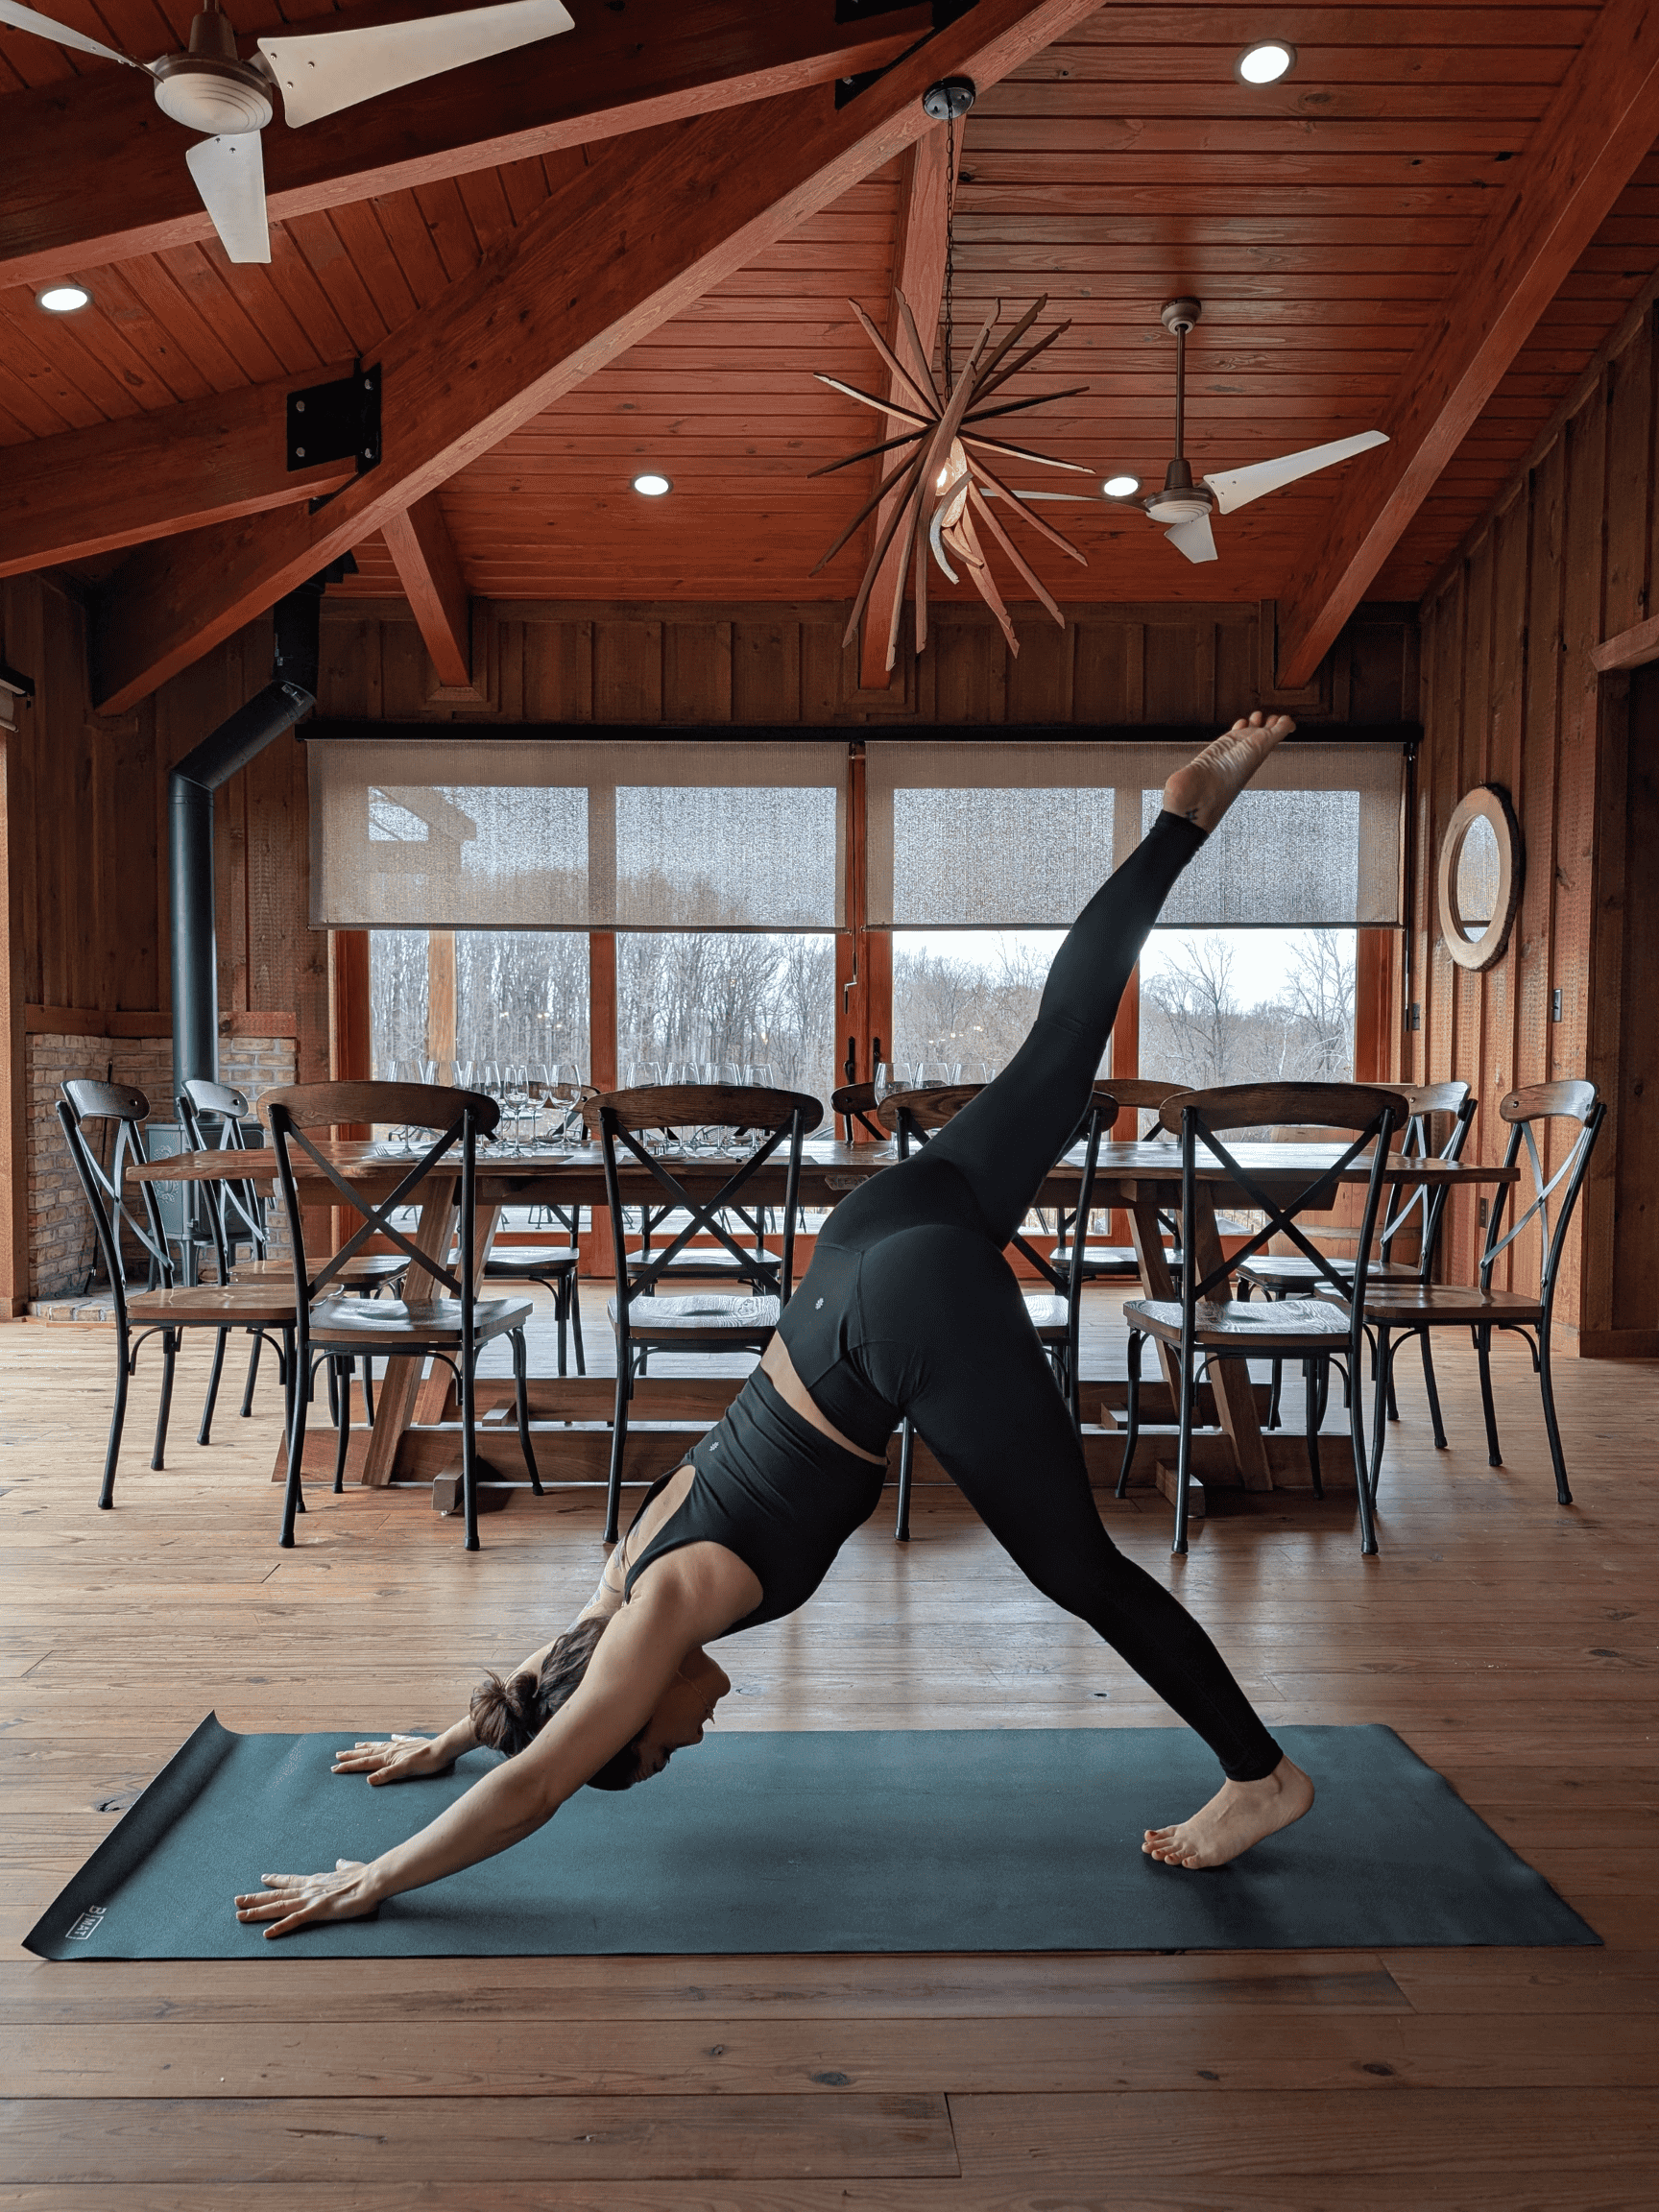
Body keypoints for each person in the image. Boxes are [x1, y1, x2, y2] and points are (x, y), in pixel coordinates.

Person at [234, 712, 1313, 1940]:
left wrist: (374, 1875)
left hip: (896, 1317)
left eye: (652, 1750)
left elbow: (537, 1777)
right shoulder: (611, 1594)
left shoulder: (656, 1625)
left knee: (1076, 1570)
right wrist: (447, 1740)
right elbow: (529, 1703)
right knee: (1058, 1061)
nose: (685, 1738)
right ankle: (1179, 824)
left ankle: (1261, 1774)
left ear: (626, 1708)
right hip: (859, 1242)